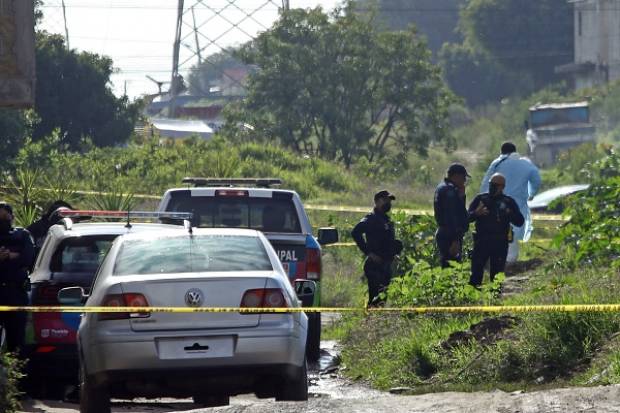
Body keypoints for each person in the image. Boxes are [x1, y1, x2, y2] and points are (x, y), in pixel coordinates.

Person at [480, 142, 541, 263]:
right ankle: (510, 260)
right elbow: (536, 179)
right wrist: (532, 193)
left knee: (497, 229)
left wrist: (483, 200)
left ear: (502, 152)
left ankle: (499, 260)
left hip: (498, 203)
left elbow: (486, 182)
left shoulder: (498, 162)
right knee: (513, 230)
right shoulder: (526, 164)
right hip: (518, 204)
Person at [468, 174, 525, 287]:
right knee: (476, 271)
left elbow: (520, 222)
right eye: (490, 184)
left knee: (497, 274)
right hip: (481, 241)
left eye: (495, 185)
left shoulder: (508, 202)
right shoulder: (481, 199)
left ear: (502, 187)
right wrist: (476, 213)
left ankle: (495, 298)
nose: (491, 187)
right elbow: (467, 217)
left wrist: (509, 213)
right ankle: (473, 296)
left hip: (500, 242)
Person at [351, 190, 403, 306]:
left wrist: (394, 252)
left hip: (385, 265)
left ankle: (375, 321)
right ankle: (369, 322)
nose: (388, 203)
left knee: (382, 300)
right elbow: (355, 232)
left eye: (389, 201)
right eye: (385, 200)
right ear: (377, 202)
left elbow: (387, 241)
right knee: (375, 299)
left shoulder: (386, 219)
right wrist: (369, 253)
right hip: (375, 266)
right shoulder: (371, 219)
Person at [0, 202, 35, 355]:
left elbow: (29, 258)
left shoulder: (22, 235)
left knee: (17, 341)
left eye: (4, 217)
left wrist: (12, 256)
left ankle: (16, 374)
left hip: (16, 292)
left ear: (12, 217)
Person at [434, 163, 470, 267]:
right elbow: (452, 216)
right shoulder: (450, 191)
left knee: (447, 264)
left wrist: (462, 196)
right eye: (463, 178)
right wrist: (455, 239)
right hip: (450, 235)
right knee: (451, 267)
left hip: (445, 232)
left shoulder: (442, 187)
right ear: (456, 176)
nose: (464, 181)